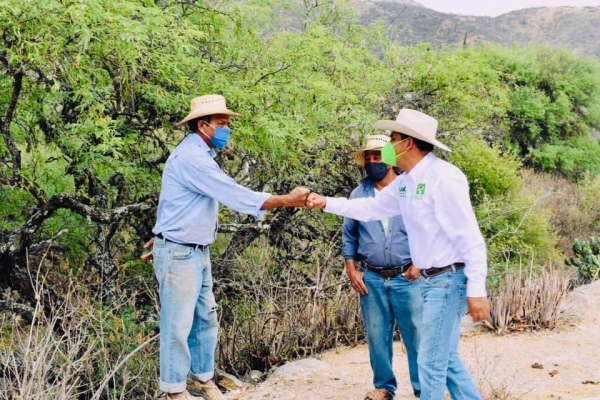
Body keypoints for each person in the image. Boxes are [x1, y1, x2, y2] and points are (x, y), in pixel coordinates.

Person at [306, 109, 489, 400]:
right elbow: (370, 209)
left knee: (429, 360)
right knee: (445, 359)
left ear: (409, 143)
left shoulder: (444, 178)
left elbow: (470, 238)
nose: (388, 147)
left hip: (447, 280)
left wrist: (477, 290)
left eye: (393, 139)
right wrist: (326, 202)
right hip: (430, 283)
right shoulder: (406, 183)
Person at [150, 94, 309, 400]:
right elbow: (234, 194)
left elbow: (178, 202)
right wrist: (287, 199)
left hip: (194, 249)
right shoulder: (193, 159)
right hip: (180, 251)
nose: (226, 130)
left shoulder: (200, 154)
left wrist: (161, 231)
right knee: (178, 324)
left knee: (204, 317)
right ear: (203, 125)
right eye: (221, 124)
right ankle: (174, 391)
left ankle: (204, 379)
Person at [343, 135, 422, 400]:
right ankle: (384, 387)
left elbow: (425, 228)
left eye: (377, 157)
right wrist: (352, 270)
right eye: (368, 158)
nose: (372, 163)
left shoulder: (408, 188)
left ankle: (423, 389)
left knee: (415, 335)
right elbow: (349, 236)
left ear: (389, 160)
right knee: (377, 335)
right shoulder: (358, 194)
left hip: (406, 276)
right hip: (372, 277)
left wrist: (418, 263)